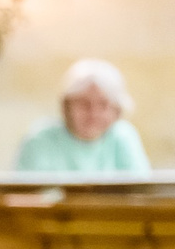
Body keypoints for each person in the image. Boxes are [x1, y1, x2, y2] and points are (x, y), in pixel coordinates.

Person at [14, 57, 150, 172]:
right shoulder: (40, 139)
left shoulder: (123, 136)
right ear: (66, 106)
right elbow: (24, 193)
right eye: (84, 104)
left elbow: (141, 190)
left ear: (117, 110)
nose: (93, 113)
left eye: (103, 105)